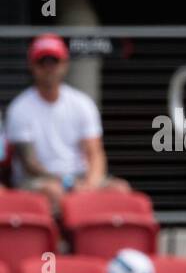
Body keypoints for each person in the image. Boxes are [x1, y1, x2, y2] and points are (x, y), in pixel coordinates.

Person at [4, 33, 128, 209]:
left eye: (54, 61)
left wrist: (90, 184)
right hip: (38, 181)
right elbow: (30, 165)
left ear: (65, 64)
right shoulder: (19, 108)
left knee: (119, 190)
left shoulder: (82, 103)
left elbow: (95, 153)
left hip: (79, 178)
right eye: (42, 62)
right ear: (32, 66)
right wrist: (68, 183)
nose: (49, 68)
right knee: (53, 192)